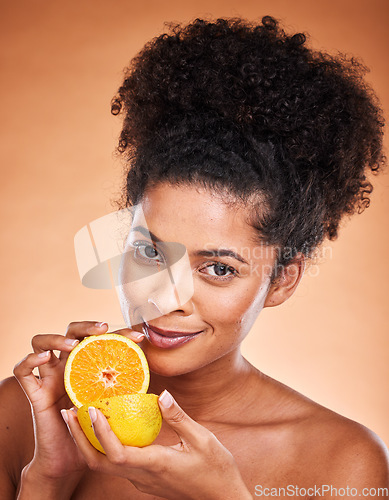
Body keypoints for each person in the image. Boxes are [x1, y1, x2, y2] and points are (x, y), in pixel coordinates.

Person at [1, 15, 388, 499]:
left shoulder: (342, 461)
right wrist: (48, 479)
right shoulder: (27, 414)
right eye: (149, 251)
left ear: (282, 280)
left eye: (219, 268)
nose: (168, 298)